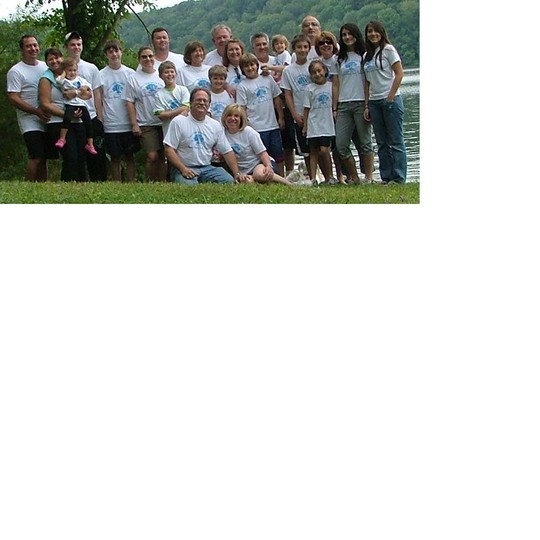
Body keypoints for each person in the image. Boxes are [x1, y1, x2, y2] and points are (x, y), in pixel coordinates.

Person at [163, 87, 248, 185]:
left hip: (207, 168)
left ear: (209, 105)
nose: (202, 103)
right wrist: (183, 169)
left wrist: (237, 174)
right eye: (198, 100)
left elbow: (227, 152)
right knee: (189, 188)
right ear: (190, 103)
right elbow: (169, 150)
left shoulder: (215, 125)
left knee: (228, 181)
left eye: (205, 101)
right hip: (183, 167)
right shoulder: (178, 122)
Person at [363, 20, 407, 184]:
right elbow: (367, 82)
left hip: (391, 100)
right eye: (370, 31)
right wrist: (366, 105)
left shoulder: (388, 50)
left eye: (376, 31)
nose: (373, 34)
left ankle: (399, 177)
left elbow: (399, 74)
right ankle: (386, 176)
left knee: (396, 141)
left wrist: (390, 96)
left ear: (381, 33)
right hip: (374, 102)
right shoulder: (366, 56)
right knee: (381, 142)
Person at [331, 23, 374, 184]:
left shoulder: (364, 55)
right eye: (344, 35)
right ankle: (355, 178)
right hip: (343, 105)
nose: (347, 37)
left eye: (350, 34)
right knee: (341, 145)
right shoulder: (338, 59)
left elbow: (368, 81)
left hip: (361, 103)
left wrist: (367, 105)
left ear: (356, 35)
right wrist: (335, 108)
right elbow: (336, 84)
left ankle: (368, 177)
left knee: (365, 143)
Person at [38, 46, 88, 181]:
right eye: (50, 59)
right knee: (70, 155)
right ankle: (68, 183)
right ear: (46, 62)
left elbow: (86, 93)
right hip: (57, 122)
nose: (54, 61)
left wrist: (76, 93)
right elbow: (45, 103)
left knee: (81, 154)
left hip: (77, 121)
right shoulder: (46, 79)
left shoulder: (72, 75)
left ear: (62, 58)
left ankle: (82, 184)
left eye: (57, 58)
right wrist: (66, 115)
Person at [64, 31, 107, 180]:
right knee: (76, 156)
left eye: (79, 44)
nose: (76, 47)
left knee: (96, 155)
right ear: (66, 47)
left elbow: (97, 93)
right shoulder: (62, 67)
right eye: (72, 44)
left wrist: (99, 118)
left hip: (91, 116)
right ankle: (77, 182)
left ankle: (99, 182)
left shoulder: (91, 68)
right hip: (71, 119)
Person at [7, 34, 50, 180]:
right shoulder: (16, 71)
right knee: (36, 155)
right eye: (28, 46)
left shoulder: (45, 67)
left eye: (35, 45)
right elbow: (13, 97)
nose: (33, 48)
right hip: (29, 120)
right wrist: (36, 111)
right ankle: (30, 185)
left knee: (44, 156)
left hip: (47, 117)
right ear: (22, 49)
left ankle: (42, 186)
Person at [221, 104, 296, 186]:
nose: (232, 118)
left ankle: (289, 184)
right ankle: (259, 181)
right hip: (241, 170)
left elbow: (262, 153)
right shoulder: (221, 134)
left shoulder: (249, 132)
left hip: (259, 164)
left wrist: (268, 166)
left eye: (236, 116)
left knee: (259, 174)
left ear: (241, 119)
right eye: (229, 115)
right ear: (224, 118)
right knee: (247, 182)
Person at [236, 53, 285, 175]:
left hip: (272, 125)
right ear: (242, 69)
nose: (250, 68)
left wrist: (281, 117)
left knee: (278, 155)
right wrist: (245, 126)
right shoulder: (242, 86)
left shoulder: (267, 79)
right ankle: (266, 177)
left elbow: (276, 98)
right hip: (256, 127)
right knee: (262, 156)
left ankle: (281, 177)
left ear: (257, 65)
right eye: (246, 66)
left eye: (252, 65)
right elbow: (242, 108)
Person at [124, 46, 166, 181]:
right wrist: (134, 124)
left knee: (164, 156)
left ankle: (163, 183)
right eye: (144, 57)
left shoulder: (162, 75)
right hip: (146, 123)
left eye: (150, 56)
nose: (148, 59)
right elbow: (129, 102)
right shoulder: (133, 78)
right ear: (139, 59)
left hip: (164, 121)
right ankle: (150, 181)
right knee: (152, 156)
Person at [100, 39, 139, 182]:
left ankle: (132, 182)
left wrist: (135, 122)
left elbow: (135, 99)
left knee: (130, 155)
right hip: (110, 123)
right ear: (106, 54)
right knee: (114, 156)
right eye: (110, 51)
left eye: (116, 51)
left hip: (128, 122)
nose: (114, 54)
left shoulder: (130, 73)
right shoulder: (101, 74)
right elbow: (99, 99)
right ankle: (117, 183)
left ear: (121, 52)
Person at [281, 34, 312, 175]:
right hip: (299, 114)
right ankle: (311, 175)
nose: (302, 50)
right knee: (305, 150)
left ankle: (326, 176)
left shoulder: (313, 66)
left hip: (316, 113)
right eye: (299, 47)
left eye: (305, 47)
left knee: (320, 147)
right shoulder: (288, 71)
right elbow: (288, 94)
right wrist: (294, 114)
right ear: (294, 49)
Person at [54, 58, 97, 155]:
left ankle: (90, 144)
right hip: (70, 104)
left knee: (88, 122)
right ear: (64, 71)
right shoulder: (64, 81)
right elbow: (59, 81)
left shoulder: (81, 80)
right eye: (69, 70)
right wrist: (63, 74)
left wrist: (79, 91)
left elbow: (88, 91)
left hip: (81, 104)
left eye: (74, 70)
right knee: (67, 119)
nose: (72, 73)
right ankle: (62, 138)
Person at [302, 60, 336, 184]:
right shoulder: (309, 88)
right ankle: (313, 178)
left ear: (325, 70)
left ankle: (330, 176)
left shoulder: (331, 86)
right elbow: (306, 108)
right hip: (313, 124)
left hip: (327, 124)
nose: (317, 74)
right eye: (313, 72)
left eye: (319, 71)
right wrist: (305, 126)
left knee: (325, 150)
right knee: (313, 151)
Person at [153, 61, 190, 138]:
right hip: (168, 132)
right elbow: (161, 115)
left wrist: (168, 113)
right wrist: (179, 110)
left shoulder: (183, 90)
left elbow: (186, 108)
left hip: (185, 130)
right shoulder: (159, 95)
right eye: (166, 72)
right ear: (160, 76)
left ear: (176, 74)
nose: (170, 74)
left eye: (172, 72)